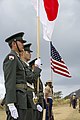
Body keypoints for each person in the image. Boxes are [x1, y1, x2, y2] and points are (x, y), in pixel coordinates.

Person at [3, 32, 28, 120]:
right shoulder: (11, 58)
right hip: (16, 99)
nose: (23, 44)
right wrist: (10, 103)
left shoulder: (18, 59)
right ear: (14, 44)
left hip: (21, 98)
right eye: (21, 42)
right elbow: (10, 81)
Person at [20, 43, 42, 120]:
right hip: (24, 98)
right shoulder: (21, 65)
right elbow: (31, 78)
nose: (30, 54)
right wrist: (36, 68)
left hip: (30, 98)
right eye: (28, 52)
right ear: (22, 53)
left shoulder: (26, 66)